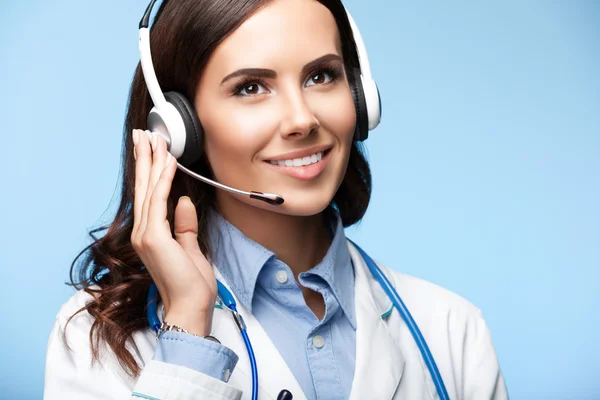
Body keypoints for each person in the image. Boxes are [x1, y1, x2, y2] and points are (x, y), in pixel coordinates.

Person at [44, 0, 508, 399]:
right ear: (180, 128)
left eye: (322, 76)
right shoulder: (95, 336)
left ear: (361, 97)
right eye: (251, 87)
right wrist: (186, 326)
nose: (301, 119)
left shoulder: (451, 329)